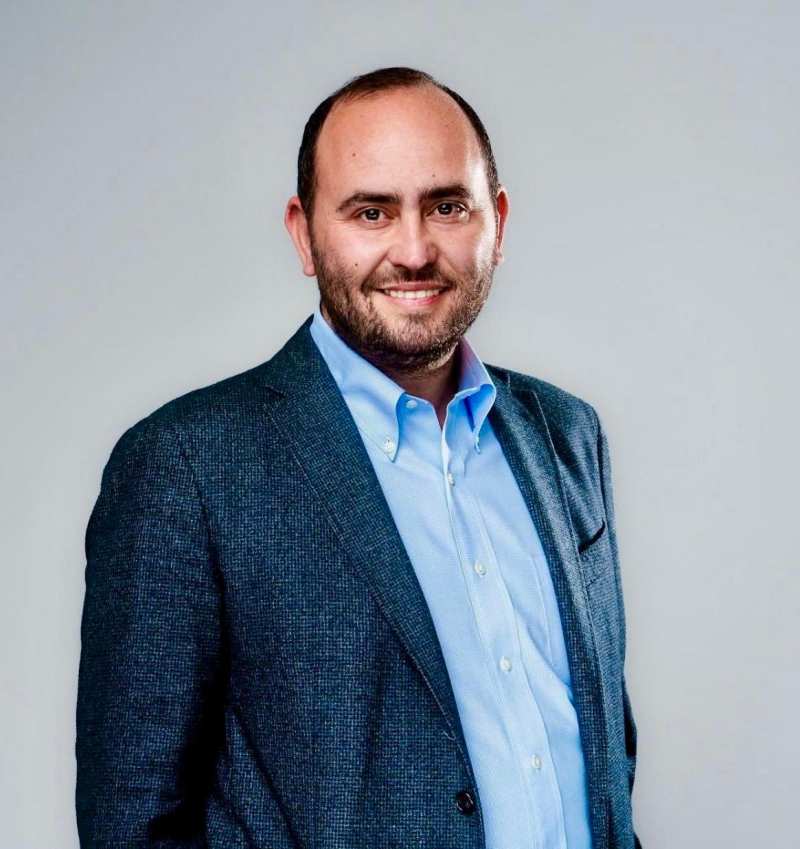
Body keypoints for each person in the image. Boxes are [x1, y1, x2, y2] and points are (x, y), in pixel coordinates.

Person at [76, 66, 641, 849]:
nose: (413, 250)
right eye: (371, 212)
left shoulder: (566, 435)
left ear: (498, 221)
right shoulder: (186, 468)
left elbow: (605, 752)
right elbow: (133, 823)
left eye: (447, 206)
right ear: (304, 234)